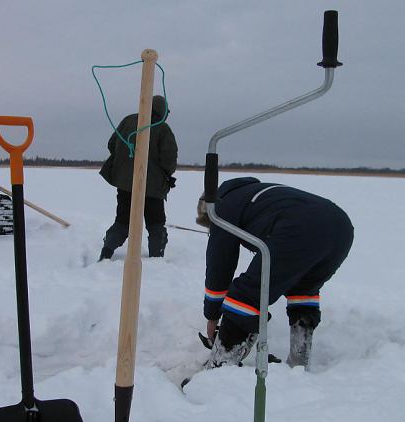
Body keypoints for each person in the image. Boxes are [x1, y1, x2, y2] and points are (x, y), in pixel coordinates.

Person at [196, 177, 354, 369]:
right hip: (341, 227)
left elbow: (220, 264)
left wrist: (212, 314)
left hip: (299, 227)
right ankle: (299, 361)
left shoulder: (222, 208)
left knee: (247, 295)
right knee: (303, 289)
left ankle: (220, 365)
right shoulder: (255, 194)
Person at [99, 95, 178, 260]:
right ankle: (156, 259)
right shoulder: (162, 129)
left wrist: (125, 164)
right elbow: (169, 159)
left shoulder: (128, 121)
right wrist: (166, 175)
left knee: (122, 221)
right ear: (161, 111)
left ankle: (106, 252)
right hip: (153, 188)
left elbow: (112, 144)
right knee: (156, 224)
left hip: (125, 184)